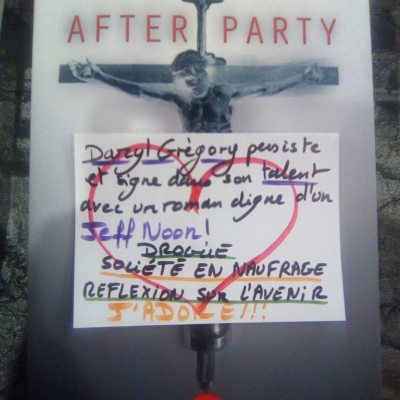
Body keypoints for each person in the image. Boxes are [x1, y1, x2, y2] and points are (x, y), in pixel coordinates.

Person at [69, 50, 324, 133]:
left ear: (201, 72)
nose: (188, 80)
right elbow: (140, 91)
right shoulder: (181, 100)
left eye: (190, 73)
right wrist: (98, 76)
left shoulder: (224, 93)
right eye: (183, 76)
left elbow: (268, 89)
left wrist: (303, 77)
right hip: (192, 161)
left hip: (226, 161)